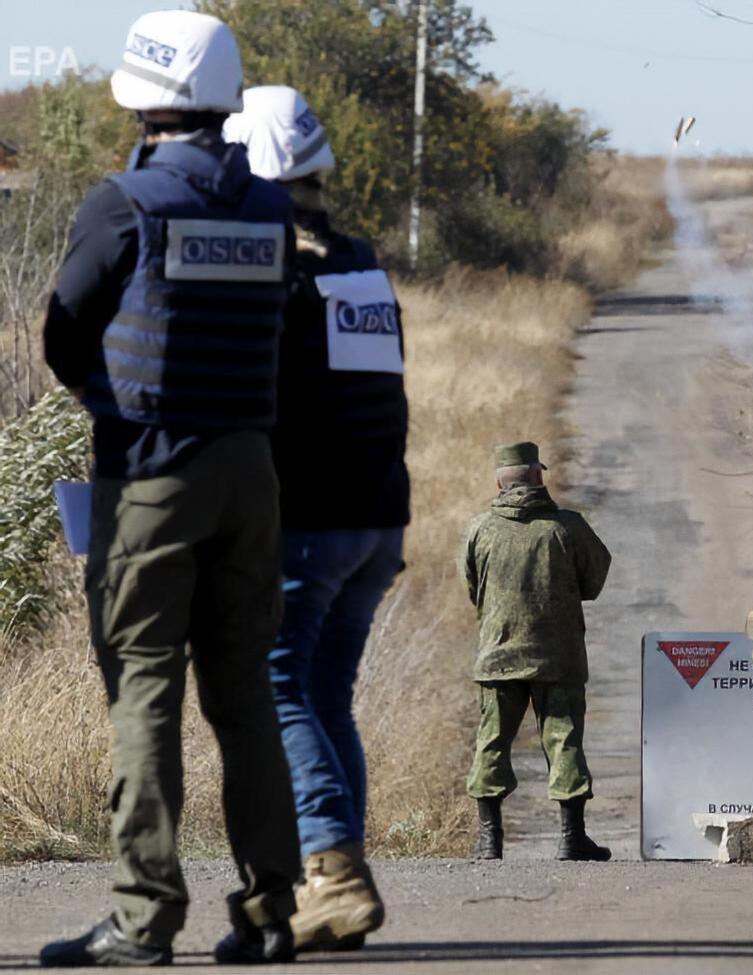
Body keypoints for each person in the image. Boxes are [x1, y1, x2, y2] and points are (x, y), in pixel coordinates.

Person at [38, 11, 300, 967]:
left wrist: (109, 398)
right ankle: (273, 913)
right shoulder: (271, 211)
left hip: (150, 473)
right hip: (251, 474)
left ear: (145, 100)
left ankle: (144, 919)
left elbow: (64, 334)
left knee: (144, 692)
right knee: (244, 697)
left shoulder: (125, 203)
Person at [222, 86, 408, 952]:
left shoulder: (278, 269)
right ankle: (337, 889)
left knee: (277, 686)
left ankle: (331, 871)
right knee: (328, 696)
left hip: (308, 521)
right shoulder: (360, 260)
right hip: (376, 522)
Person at [460, 442, 613, 861]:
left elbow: (474, 590)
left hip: (498, 657)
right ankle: (571, 838)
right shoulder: (568, 527)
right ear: (539, 477)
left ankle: (489, 841)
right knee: (564, 743)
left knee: (491, 743)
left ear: (499, 483)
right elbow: (594, 582)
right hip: (557, 658)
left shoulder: (479, 530)